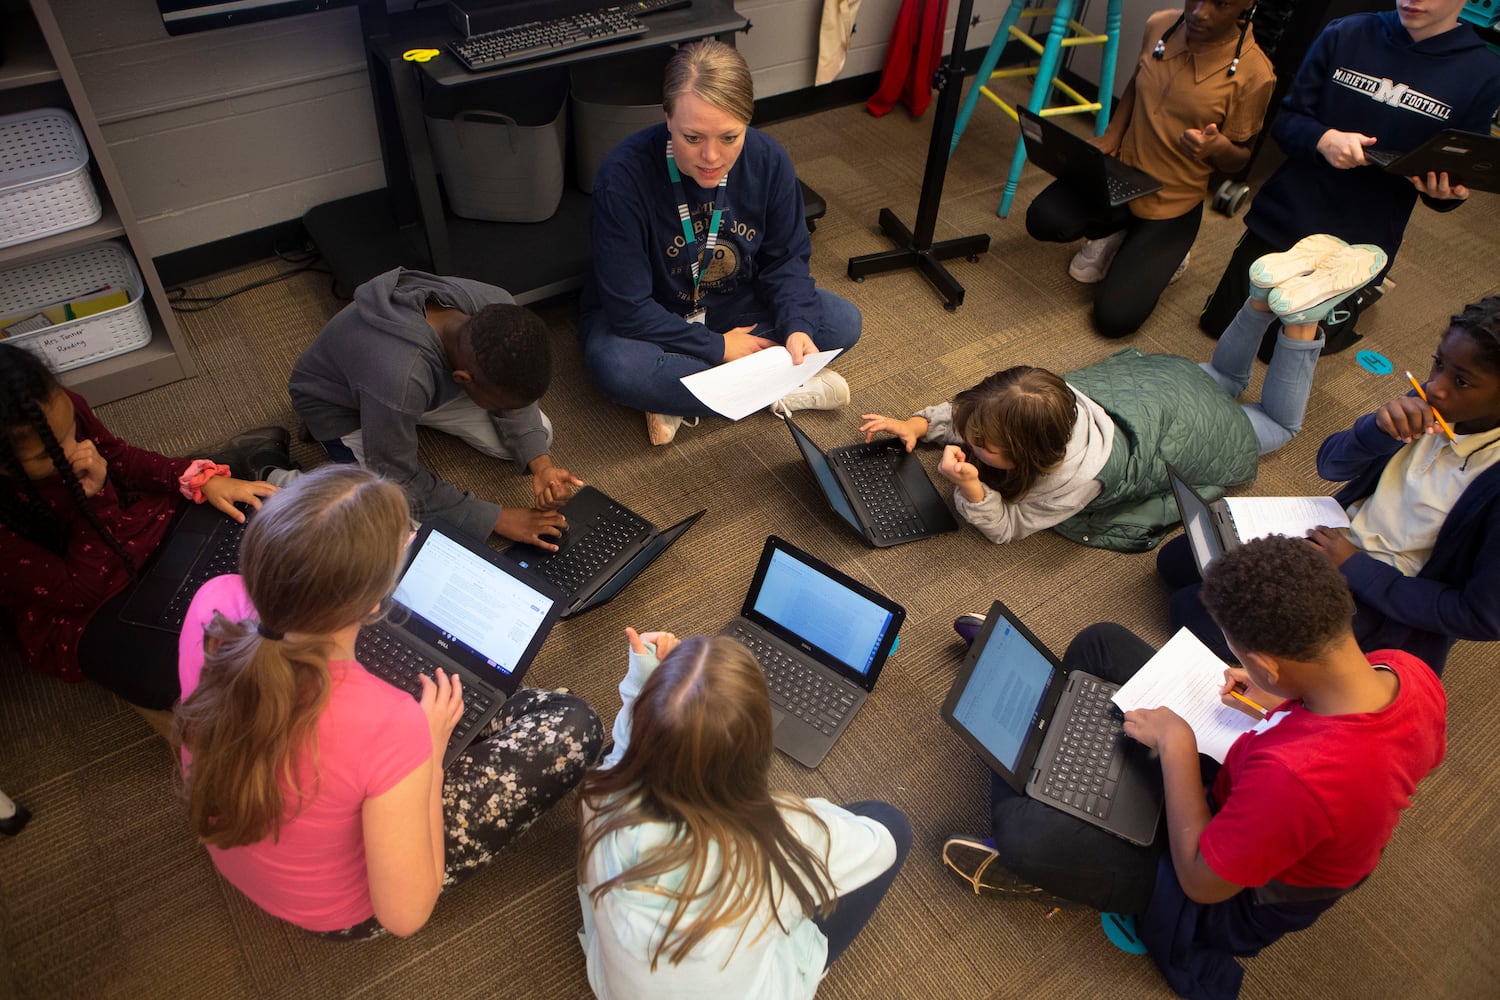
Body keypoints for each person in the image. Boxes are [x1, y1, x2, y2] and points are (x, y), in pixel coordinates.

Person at [943, 536, 1447, 1000]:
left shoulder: (1296, 777)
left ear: (1269, 663)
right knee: (1101, 643)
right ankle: (1045, 724)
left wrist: (1178, 746)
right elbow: (1377, 748)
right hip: (1248, 795)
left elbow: (1203, 883)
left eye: (1242, 656)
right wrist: (1275, 700)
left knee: (1025, 836)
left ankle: (1028, 719)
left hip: (1221, 895)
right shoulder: (1405, 670)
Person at [174, 465, 603, 939]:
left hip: (235, 841)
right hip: (341, 910)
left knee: (459, 698)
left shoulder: (212, 601)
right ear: (378, 603)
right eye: (405, 547)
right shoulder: (391, 724)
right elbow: (405, 917)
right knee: (574, 723)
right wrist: (430, 753)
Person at [1161, 295, 1500, 675]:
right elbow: (1330, 465)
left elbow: (1481, 615)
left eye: (1461, 380)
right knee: (1175, 561)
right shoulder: (1432, 404)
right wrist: (1375, 431)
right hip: (1330, 538)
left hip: (1376, 596)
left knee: (1189, 610)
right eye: (1438, 363)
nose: (1434, 387)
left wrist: (1357, 567)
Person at [577, 627, 910, 997]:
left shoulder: (602, 794)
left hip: (616, 984)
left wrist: (650, 688)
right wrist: (808, 813)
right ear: (758, 749)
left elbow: (627, 749)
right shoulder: (777, 840)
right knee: (891, 822)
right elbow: (879, 846)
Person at [579, 40, 863, 447]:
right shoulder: (622, 178)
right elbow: (628, 309)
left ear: (748, 121)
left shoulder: (769, 160)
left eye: (729, 137)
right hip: (651, 319)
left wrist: (797, 325)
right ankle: (782, 390)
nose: (711, 157)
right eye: (692, 138)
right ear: (667, 118)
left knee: (842, 321)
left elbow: (786, 261)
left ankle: (680, 399)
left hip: (732, 304)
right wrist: (718, 347)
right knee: (617, 367)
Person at [1200, 0, 1500, 357]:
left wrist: (1445, 193)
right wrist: (1323, 140)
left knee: (1278, 351)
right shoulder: (1346, 32)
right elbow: (1287, 123)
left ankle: (1364, 290)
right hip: (1288, 213)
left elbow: (1456, 175)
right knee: (1221, 329)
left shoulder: (1483, 73)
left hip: (1361, 239)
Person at [0, 343, 287, 711]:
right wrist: (96, 496)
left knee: (261, 539)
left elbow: (117, 457)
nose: (76, 451)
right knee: (201, 682)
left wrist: (200, 479)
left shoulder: (54, 409)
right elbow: (79, 591)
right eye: (49, 453)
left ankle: (244, 463)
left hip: (134, 526)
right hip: (85, 603)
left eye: (72, 429)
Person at [1025, 2, 1275, 339]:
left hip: (1174, 202)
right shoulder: (1160, 25)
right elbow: (1138, 80)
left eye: (1220, 3)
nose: (1200, 12)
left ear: (1247, 5)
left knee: (1114, 319)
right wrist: (1113, 133)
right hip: (1123, 176)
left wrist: (1217, 149)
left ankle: (1169, 252)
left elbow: (1240, 158)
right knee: (1043, 218)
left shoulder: (1255, 73)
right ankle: (1114, 234)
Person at [288, 268, 581, 550]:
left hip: (407, 391)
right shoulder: (400, 378)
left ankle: (398, 419)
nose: (509, 410)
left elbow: (519, 400)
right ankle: (279, 477)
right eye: (501, 405)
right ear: (463, 379)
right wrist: (498, 519)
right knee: (395, 519)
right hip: (338, 405)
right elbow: (397, 477)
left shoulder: (498, 306)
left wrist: (541, 465)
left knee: (538, 434)